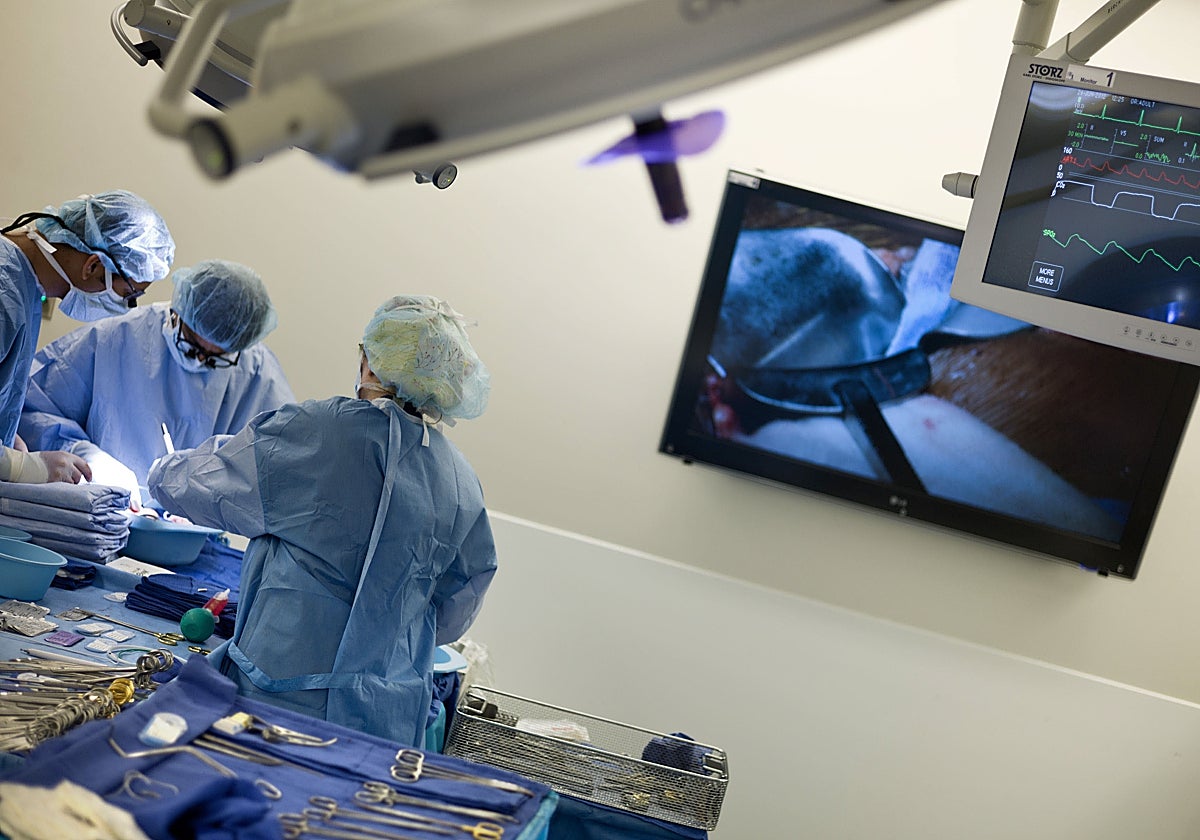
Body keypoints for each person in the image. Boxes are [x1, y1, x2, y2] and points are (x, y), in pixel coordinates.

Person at [147, 294, 496, 746]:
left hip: (279, 695)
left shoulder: (317, 431)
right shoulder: (460, 481)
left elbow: (202, 484)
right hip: (384, 711)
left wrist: (161, 470)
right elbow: (455, 608)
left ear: (370, 364)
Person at [20, 259, 295, 503]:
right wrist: (80, 453)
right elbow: (33, 407)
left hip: (195, 532)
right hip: (105, 509)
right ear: (178, 312)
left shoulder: (257, 372)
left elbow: (277, 464)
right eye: (192, 345)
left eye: (215, 358)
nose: (199, 360)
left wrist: (212, 503)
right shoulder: (116, 336)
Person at [0, 190, 174, 484]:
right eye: (128, 294)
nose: (126, 307)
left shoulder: (23, 288)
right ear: (92, 265)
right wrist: (24, 467)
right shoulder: (5, 291)